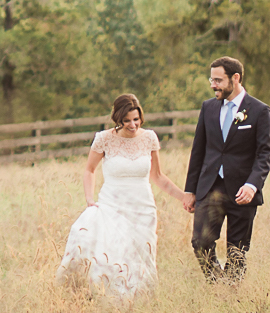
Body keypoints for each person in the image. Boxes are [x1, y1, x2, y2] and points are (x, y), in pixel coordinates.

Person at [56, 92, 193, 300]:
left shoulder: (149, 138)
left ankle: (142, 301)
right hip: (112, 205)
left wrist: (183, 196)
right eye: (126, 120)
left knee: (142, 257)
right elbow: (89, 170)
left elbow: (157, 176)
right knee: (114, 254)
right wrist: (90, 200)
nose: (132, 125)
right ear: (118, 119)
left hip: (143, 208)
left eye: (136, 119)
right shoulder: (104, 139)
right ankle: (110, 300)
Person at [184, 56, 270, 281]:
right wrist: (190, 190)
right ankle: (218, 285)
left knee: (237, 251)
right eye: (211, 79)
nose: (213, 85)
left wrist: (252, 185)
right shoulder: (208, 108)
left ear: (236, 78)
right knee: (200, 242)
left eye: (218, 80)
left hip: (242, 191)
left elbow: (265, 152)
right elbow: (199, 150)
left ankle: (231, 294)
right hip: (210, 187)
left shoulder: (259, 111)